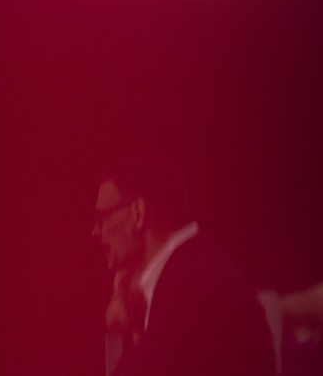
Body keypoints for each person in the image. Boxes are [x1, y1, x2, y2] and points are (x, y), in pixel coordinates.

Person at [91, 153, 276, 376]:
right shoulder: (196, 271)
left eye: (102, 217)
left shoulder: (190, 292)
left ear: (137, 213)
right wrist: (138, 329)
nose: (95, 232)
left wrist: (130, 331)